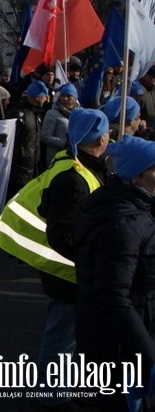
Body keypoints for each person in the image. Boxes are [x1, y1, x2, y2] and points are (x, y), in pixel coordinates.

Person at [1, 109, 109, 407]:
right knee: (61, 338)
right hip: (69, 274)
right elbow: (63, 235)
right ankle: (52, 399)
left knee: (67, 336)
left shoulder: (80, 167)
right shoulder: (73, 178)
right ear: (101, 139)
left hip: (73, 272)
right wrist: (93, 260)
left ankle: (59, 392)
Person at [74, 136, 155, 411]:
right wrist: (148, 353)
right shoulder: (124, 225)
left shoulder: (127, 205)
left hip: (115, 333)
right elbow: (114, 295)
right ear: (136, 176)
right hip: (120, 343)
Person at [6, 80, 49, 197]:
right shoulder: (18, 113)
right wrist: (21, 155)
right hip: (19, 169)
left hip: (32, 167)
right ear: (37, 97)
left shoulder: (37, 114)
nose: (46, 99)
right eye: (44, 96)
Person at [40, 83, 80, 166]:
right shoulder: (52, 113)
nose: (65, 99)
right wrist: (65, 144)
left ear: (75, 98)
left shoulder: (80, 114)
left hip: (75, 160)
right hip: (56, 159)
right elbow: (45, 137)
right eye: (63, 96)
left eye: (69, 96)